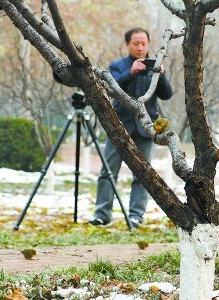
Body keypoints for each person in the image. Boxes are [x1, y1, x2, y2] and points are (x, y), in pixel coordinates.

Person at [89, 28, 173, 228]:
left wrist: (161, 75)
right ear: (127, 44)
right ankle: (102, 214)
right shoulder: (117, 66)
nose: (140, 47)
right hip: (118, 127)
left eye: (144, 43)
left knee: (143, 175)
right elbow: (111, 90)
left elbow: (167, 95)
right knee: (108, 172)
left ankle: (136, 216)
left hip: (145, 127)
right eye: (136, 43)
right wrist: (131, 73)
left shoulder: (155, 67)